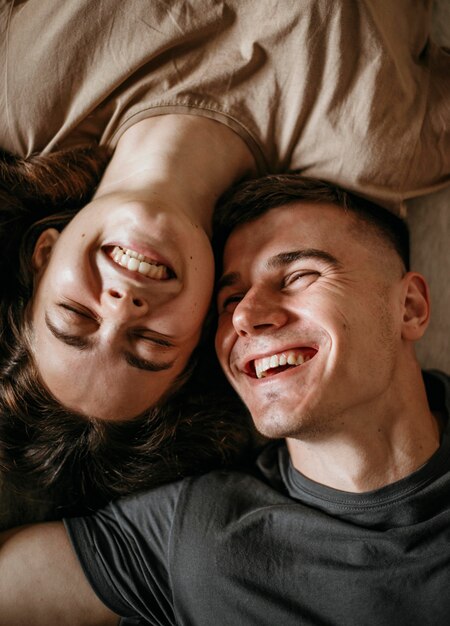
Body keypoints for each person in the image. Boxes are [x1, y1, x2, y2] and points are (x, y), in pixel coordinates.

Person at [1, 0, 449, 520]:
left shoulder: (22, 91)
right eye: (150, 342)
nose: (123, 307)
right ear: (205, 327)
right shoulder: (369, 151)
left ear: (45, 253)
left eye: (75, 316)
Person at [1, 174, 449, 625]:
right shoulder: (189, 535)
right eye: (229, 300)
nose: (246, 318)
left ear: (409, 307)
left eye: (297, 276)